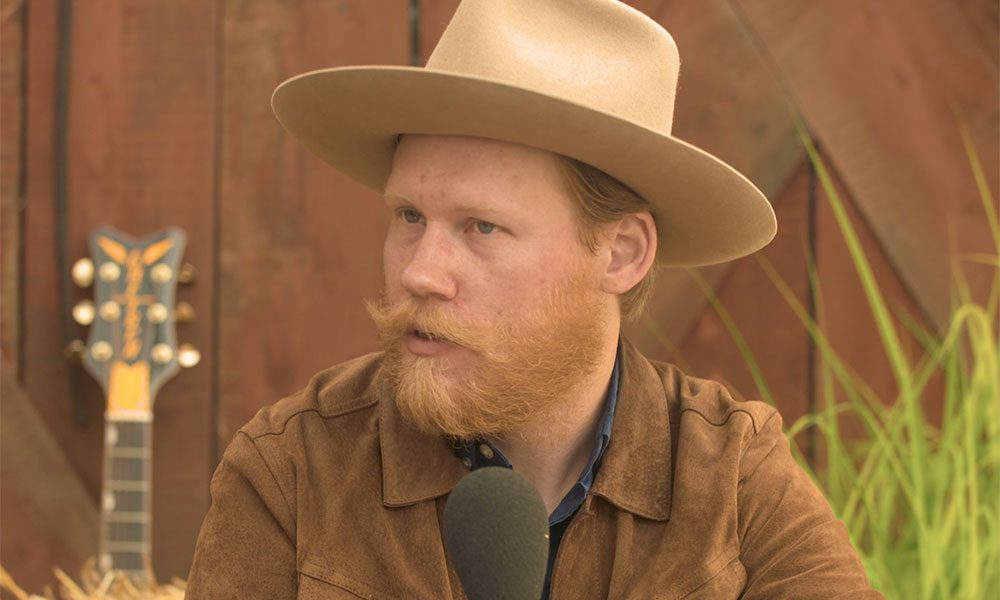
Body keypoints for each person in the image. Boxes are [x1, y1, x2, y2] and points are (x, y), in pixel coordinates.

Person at [186, 0, 882, 598]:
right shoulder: (293, 472)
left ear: (622, 254)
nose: (421, 273)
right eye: (408, 218)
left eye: (481, 226)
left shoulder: (729, 481)